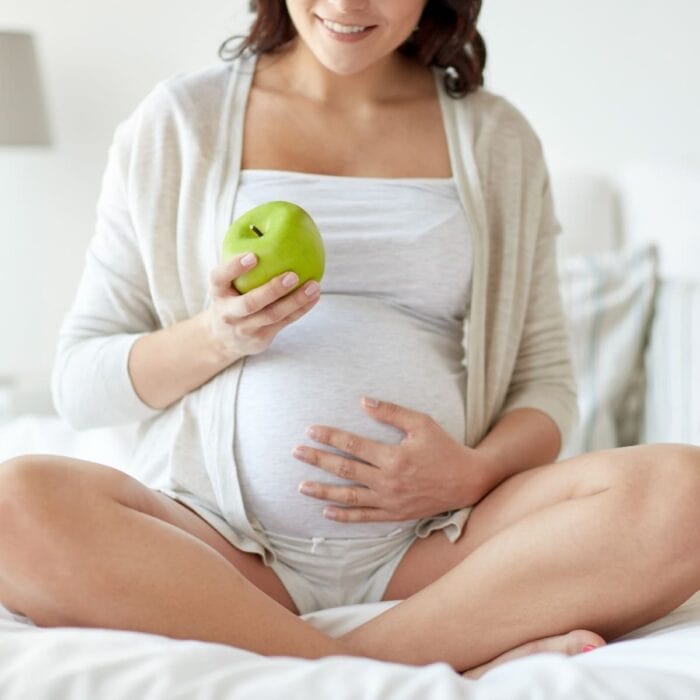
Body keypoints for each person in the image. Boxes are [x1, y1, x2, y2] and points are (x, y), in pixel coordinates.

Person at [0, 0, 698, 679]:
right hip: (218, 546)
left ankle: (340, 660)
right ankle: (408, 658)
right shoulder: (182, 121)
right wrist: (217, 337)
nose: (346, 4)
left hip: (439, 546)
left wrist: (471, 473)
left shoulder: (495, 138)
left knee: (685, 492)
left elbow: (545, 383)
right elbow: (80, 386)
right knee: (14, 504)